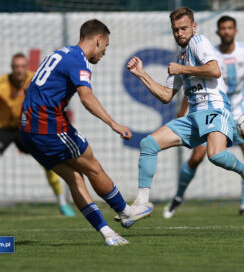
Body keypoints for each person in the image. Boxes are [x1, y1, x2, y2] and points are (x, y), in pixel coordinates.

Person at [19, 19, 153, 246]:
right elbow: (87, 97)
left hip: (27, 129)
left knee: (75, 178)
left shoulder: (59, 53)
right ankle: (126, 212)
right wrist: (114, 124)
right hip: (49, 127)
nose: (104, 52)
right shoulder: (79, 60)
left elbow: (26, 87)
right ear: (98, 39)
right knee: (92, 166)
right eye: (105, 47)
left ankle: (109, 234)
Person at [125, 7, 244, 222]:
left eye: (184, 28)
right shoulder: (180, 55)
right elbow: (166, 95)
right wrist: (142, 74)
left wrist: (182, 70)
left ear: (194, 27)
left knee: (215, 155)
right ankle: (142, 204)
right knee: (148, 145)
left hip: (214, 108)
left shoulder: (199, 42)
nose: (180, 33)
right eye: (175, 30)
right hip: (193, 116)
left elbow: (214, 70)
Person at [163, 15, 244, 219]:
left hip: (240, 113)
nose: (227, 31)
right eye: (223, 28)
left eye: (230, 28)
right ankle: (178, 197)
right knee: (198, 156)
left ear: (235, 31)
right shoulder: (208, 52)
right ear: (218, 32)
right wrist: (182, 112)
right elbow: (193, 85)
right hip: (212, 110)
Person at [0, 53, 75, 216]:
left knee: (48, 160)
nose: (19, 70)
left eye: (22, 66)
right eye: (16, 67)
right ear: (11, 68)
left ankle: (62, 202)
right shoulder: (2, 84)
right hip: (4, 129)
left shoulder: (35, 80)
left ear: (26, 67)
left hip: (26, 127)